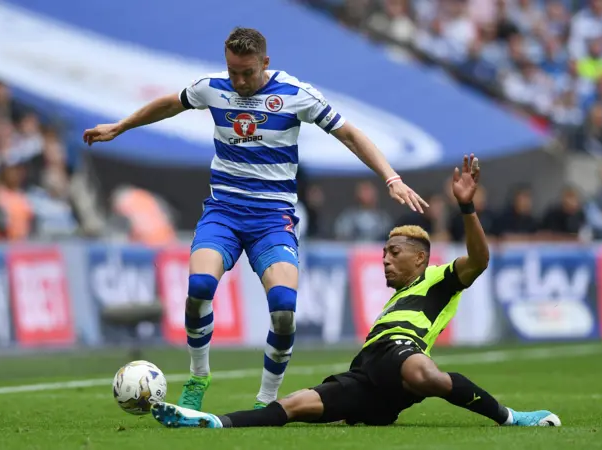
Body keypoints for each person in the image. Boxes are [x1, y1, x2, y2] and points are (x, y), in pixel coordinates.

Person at [82, 27, 427, 410]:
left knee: (283, 309)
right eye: (233, 72)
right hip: (223, 213)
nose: (240, 81)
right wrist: (121, 126)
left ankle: (266, 400)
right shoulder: (211, 88)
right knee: (198, 288)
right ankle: (198, 376)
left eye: (247, 72)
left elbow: (349, 134)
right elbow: (169, 104)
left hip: (271, 219)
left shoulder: (297, 95)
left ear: (265, 62)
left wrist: (391, 178)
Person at [149, 154, 561, 429]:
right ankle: (215, 422)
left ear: (419, 259)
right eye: (382, 253)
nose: (384, 259)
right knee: (295, 405)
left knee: (422, 372)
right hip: (369, 371)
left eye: (393, 252)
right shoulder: (396, 298)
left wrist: (467, 209)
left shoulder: (438, 279)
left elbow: (479, 261)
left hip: (403, 353)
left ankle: (511, 418)